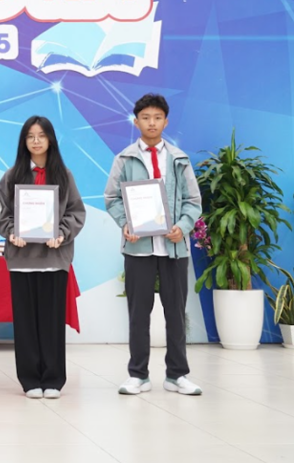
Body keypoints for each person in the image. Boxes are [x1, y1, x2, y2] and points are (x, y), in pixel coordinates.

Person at [105, 93, 203, 396]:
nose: (151, 123)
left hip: (173, 249)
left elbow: (193, 201)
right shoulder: (124, 159)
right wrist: (126, 223)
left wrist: (182, 227)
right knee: (138, 314)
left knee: (176, 313)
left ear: (166, 122)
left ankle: (177, 375)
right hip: (138, 249)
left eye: (157, 118)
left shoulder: (179, 159)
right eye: (145, 118)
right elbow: (111, 198)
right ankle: (138, 375)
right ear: (136, 122)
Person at [0, 116, 85, 399]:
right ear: (23, 141)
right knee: (25, 323)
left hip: (54, 259)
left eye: (41, 135)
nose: (36, 141)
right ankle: (30, 379)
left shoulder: (64, 175)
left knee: (52, 322)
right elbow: (2, 215)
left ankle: (54, 379)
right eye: (30, 136)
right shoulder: (11, 177)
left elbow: (76, 212)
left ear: (51, 140)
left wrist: (61, 233)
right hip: (21, 260)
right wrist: (12, 232)